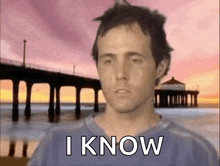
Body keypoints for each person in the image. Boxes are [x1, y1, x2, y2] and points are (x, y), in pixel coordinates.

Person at [27, 1, 219, 165]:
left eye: (135, 60)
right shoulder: (56, 145)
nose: (120, 74)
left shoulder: (193, 153)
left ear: (160, 67)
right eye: (108, 61)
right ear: (98, 67)